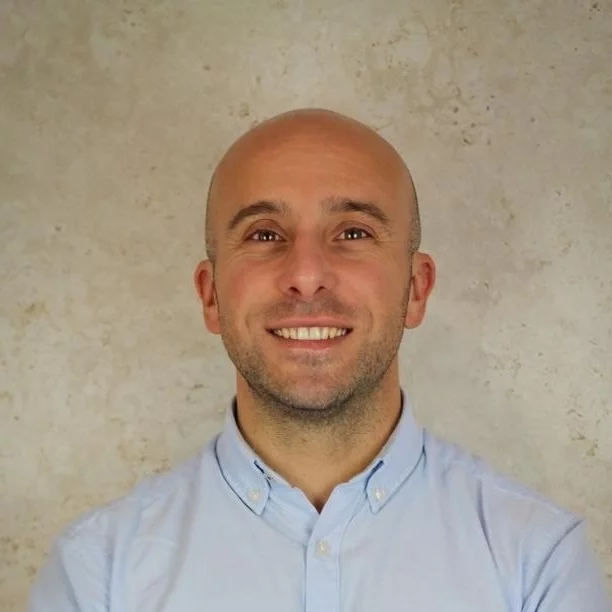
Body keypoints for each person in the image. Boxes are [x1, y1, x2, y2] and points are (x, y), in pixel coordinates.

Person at [29, 109, 610, 611]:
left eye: (353, 233)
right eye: (264, 235)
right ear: (211, 296)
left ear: (416, 289)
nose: (306, 275)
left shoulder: (538, 563)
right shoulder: (96, 573)